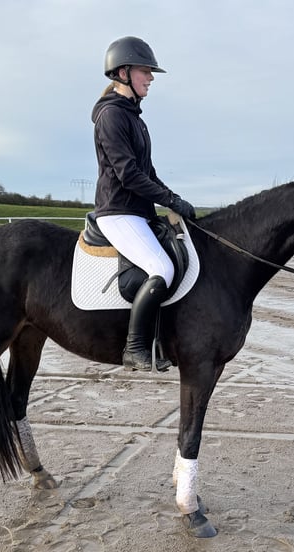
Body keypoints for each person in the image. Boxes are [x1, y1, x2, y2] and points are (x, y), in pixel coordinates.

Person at [91, 36, 196, 372]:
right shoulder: (111, 116)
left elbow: (148, 173)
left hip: (138, 212)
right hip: (118, 212)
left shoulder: (136, 119)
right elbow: (128, 174)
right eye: (145, 71)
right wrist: (169, 199)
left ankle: (161, 339)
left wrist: (175, 200)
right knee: (161, 269)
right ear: (123, 73)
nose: (150, 77)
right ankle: (135, 347)